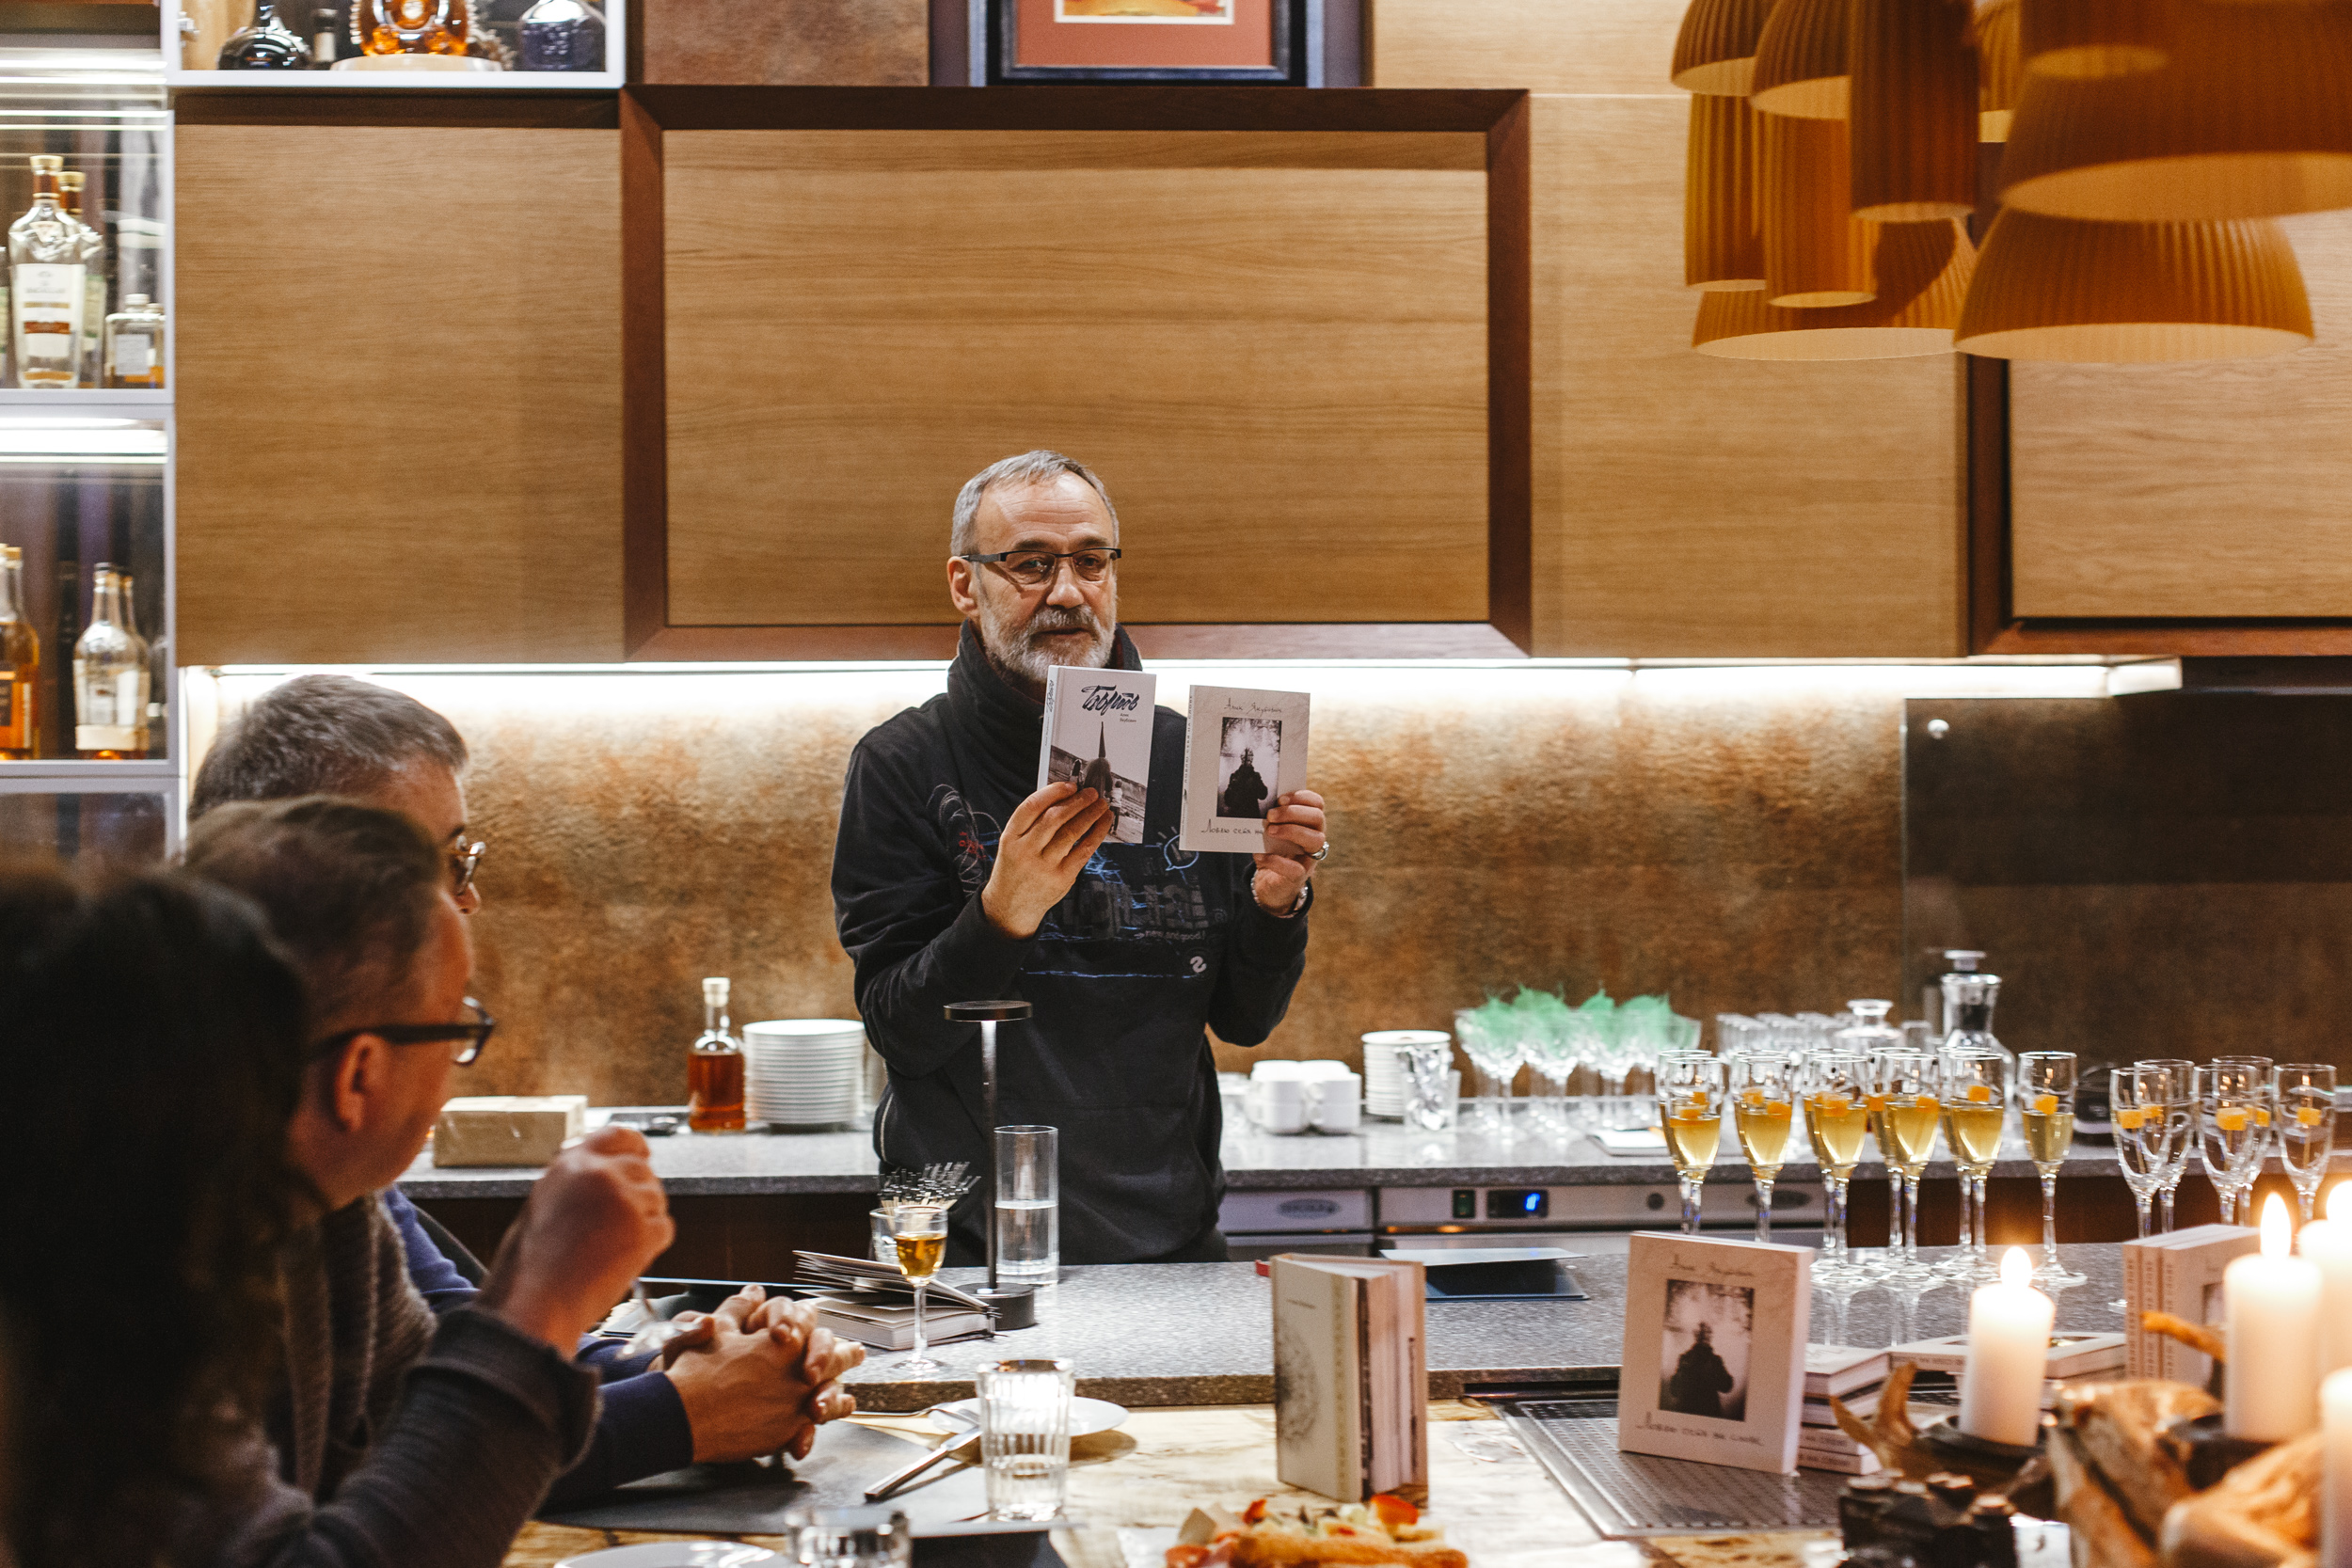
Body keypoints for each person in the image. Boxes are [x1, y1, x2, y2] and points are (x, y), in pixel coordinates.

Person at [190, 676, 862, 1498]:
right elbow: (422, 1460)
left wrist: (693, 1363)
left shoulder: (327, 1181)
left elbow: (454, 1369)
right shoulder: (168, 1228)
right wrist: (683, 1407)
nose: (468, 897)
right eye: (440, 864)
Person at [0, 859, 670, 1566]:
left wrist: (594, 1339)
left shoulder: (110, 1289)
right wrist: (541, 1305)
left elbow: (413, 1420)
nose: (290, 1129)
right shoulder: (104, 1315)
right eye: (265, 1089)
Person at [832, 450, 1329, 1265]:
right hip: (969, 1253)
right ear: (965, 585)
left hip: (1171, 1242)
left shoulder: (1188, 755)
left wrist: (1276, 905)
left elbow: (1243, 1020)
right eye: (1031, 564)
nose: (1067, 592)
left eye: (1091, 561)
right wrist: (1003, 912)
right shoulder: (902, 762)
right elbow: (900, 1029)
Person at [1664, 1323, 1734, 1420]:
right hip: (1705, 1414)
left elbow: (1674, 1390)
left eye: (1707, 1333)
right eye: (1703, 1334)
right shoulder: (1714, 1360)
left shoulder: (1685, 1358)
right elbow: (1726, 1387)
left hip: (1688, 1414)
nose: (1705, 1336)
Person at [1220, 747, 1267, 821]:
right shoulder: (1235, 776)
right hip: (1238, 815)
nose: (1247, 760)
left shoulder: (1255, 776)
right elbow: (1228, 800)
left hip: (1250, 815)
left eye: (1249, 757)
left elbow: (1262, 795)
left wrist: (1255, 783)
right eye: (1245, 758)